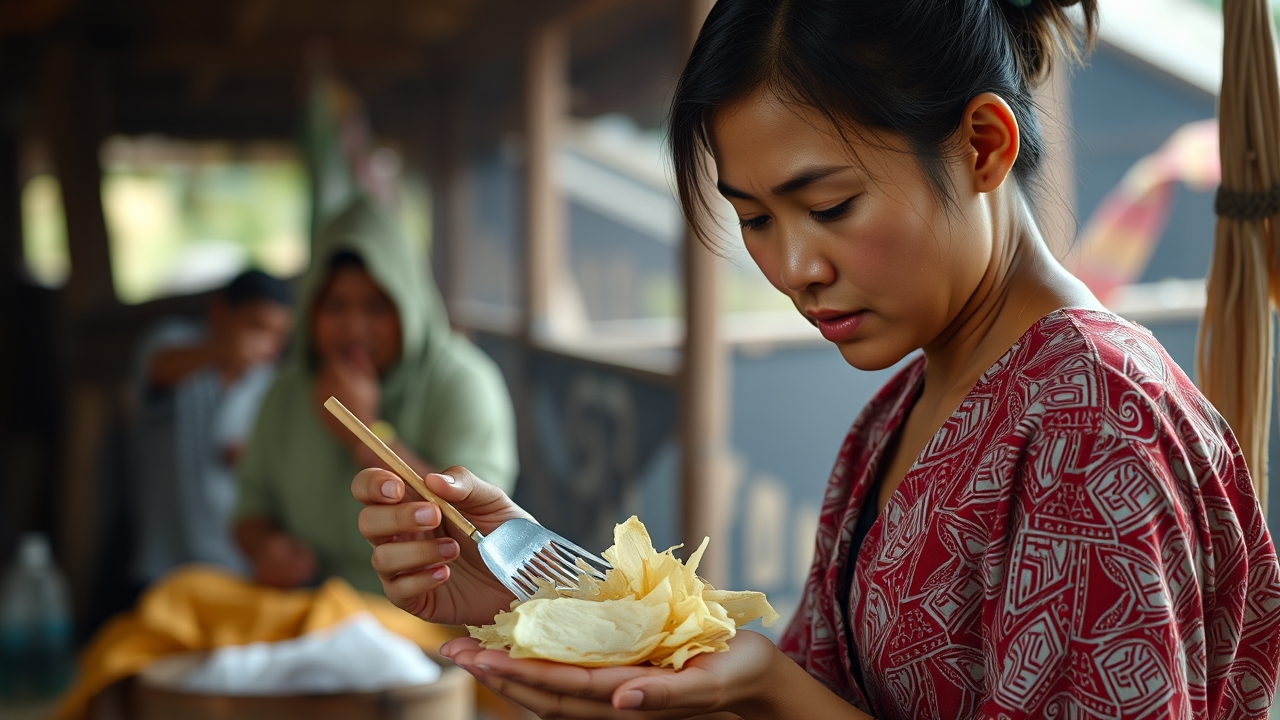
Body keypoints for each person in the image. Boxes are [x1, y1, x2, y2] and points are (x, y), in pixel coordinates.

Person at [349, 0, 1280, 718]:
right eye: (755, 218)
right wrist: (540, 588)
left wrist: (769, 690)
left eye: (830, 206)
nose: (794, 267)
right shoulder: (901, 410)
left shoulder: (1096, 421)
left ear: (982, 145)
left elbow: (795, 698)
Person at [234, 196, 517, 594]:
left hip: (425, 606)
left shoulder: (465, 382)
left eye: (376, 307)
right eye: (336, 306)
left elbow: (481, 533)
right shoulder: (287, 392)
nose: (354, 328)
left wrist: (366, 433)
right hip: (306, 604)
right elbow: (250, 512)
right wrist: (267, 548)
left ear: (409, 307)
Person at [130, 269, 292, 585]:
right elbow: (158, 368)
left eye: (278, 335)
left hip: (234, 569)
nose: (266, 345)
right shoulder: (173, 343)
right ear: (220, 311)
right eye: (256, 326)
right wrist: (222, 352)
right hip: (165, 565)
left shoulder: (265, 385)